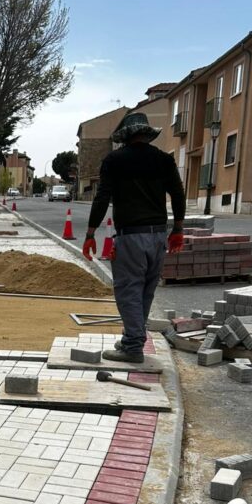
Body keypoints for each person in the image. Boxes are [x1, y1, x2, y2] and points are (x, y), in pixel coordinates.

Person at [82, 112, 185, 363]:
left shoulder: (115, 160)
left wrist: (90, 233)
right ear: (147, 134)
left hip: (131, 237)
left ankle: (132, 347)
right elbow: (178, 194)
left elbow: (102, 197)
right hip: (158, 235)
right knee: (146, 291)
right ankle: (133, 338)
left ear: (125, 136)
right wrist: (178, 230)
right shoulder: (163, 160)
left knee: (129, 289)